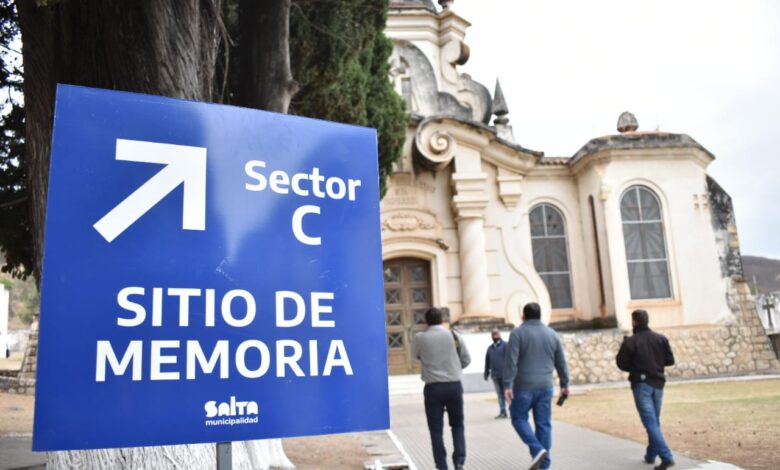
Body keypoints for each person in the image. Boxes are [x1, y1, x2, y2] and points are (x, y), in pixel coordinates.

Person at [503, 302, 569, 470]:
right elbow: (561, 362)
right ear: (540, 315)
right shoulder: (552, 334)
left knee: (518, 418)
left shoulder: (517, 334)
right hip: (546, 386)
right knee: (544, 424)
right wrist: (564, 384)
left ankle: (537, 449)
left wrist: (507, 384)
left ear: (523, 315)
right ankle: (544, 465)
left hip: (523, 386)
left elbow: (511, 361)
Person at [616, 309, 676, 470]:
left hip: (641, 385)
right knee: (654, 422)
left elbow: (621, 363)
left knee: (650, 422)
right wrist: (655, 363)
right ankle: (650, 455)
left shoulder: (631, 342)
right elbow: (670, 361)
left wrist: (636, 366)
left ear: (634, 321)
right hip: (658, 384)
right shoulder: (661, 339)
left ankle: (666, 457)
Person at [413, 307, 471, 470]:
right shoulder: (454, 335)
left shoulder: (420, 338)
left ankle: (441, 465)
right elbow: (466, 359)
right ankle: (459, 462)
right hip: (454, 386)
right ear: (442, 320)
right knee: (457, 425)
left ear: (426, 321)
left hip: (433, 388)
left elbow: (415, 355)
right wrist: (454, 368)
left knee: (435, 430)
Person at [483, 328, 508, 418]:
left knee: (507, 393)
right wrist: (486, 373)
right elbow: (487, 362)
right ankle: (503, 411)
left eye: (496, 334)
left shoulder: (505, 345)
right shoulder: (490, 349)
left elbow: (510, 360)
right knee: (499, 394)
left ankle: (513, 411)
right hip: (495, 375)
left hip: (505, 375)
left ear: (500, 335)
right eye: (493, 335)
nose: (495, 336)